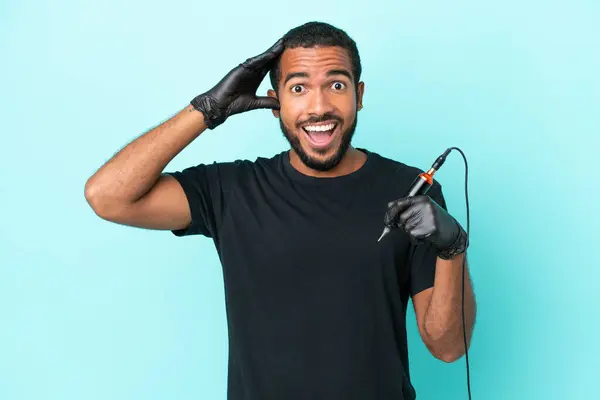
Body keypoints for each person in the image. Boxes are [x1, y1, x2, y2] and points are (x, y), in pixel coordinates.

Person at [85, 21, 476, 400]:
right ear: (275, 102)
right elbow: (107, 196)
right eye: (299, 87)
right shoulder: (232, 190)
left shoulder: (410, 192)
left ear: (358, 95)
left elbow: (448, 347)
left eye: (336, 86)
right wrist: (207, 109)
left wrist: (452, 246)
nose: (319, 107)